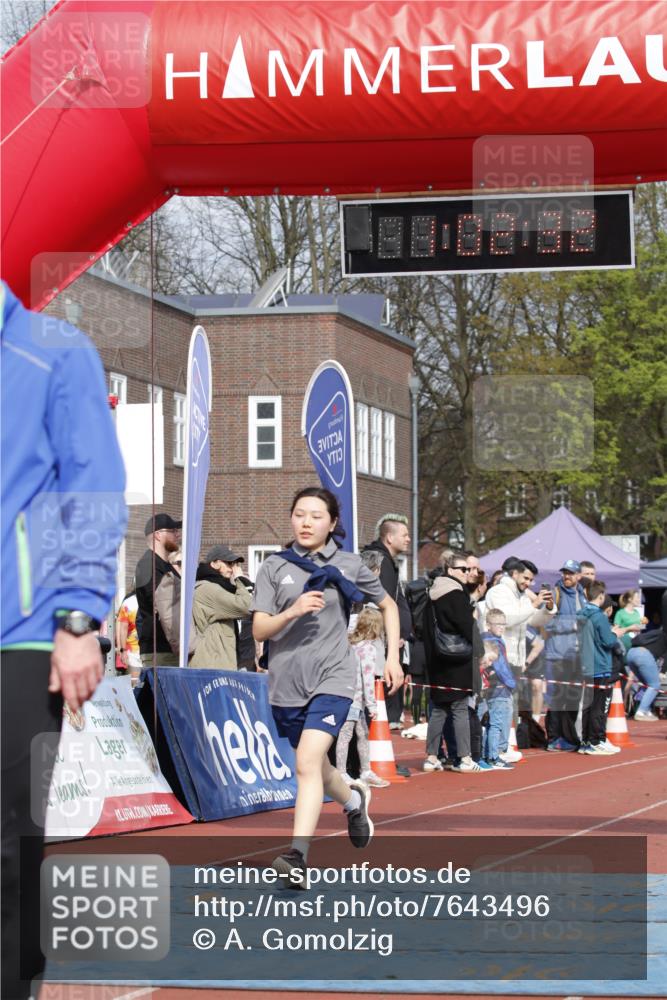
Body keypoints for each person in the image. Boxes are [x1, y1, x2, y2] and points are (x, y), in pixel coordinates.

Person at [1, 280, 127, 999]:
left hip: (17, 637)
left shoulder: (53, 351)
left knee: (8, 847)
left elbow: (93, 483)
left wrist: (79, 616)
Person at [251, 487, 402, 885]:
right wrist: (293, 610)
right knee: (319, 766)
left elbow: (387, 604)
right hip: (286, 681)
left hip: (334, 676)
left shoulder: (350, 565)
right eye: (299, 514)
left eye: (316, 516)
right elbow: (259, 628)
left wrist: (391, 656)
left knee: (305, 764)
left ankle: (297, 856)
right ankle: (354, 801)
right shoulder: (273, 567)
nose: (305, 522)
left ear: (332, 524)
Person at [422, 551, 480, 773]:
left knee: (438, 710)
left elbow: (426, 628)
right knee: (459, 708)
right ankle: (464, 758)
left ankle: (431, 757)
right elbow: (467, 626)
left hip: (437, 659)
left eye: (469, 569)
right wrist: (480, 650)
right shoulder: (455, 594)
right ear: (451, 570)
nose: (468, 573)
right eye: (463, 569)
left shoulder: (432, 592)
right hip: (457, 659)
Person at [362, 514, 413, 730]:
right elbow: (377, 605)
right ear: (390, 538)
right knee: (377, 702)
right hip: (379, 647)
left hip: (390, 644)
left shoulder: (389, 563)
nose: (409, 539)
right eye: (405, 535)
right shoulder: (378, 561)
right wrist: (389, 639)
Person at [337, 608, 390, 789]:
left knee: (361, 733)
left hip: (344, 694)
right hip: (355, 698)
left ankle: (364, 770)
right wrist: (372, 705)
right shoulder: (367, 649)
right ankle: (342, 772)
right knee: (347, 734)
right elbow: (367, 679)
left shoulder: (348, 643)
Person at [543, 559, 587, 752]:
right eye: (564, 573)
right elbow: (545, 623)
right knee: (556, 699)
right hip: (557, 655)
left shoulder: (581, 594)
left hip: (576, 656)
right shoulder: (555, 594)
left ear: (578, 575)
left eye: (570, 573)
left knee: (572, 699)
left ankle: (569, 737)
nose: (566, 576)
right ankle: (553, 739)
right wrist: (572, 624)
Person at [577, 581, 623, 754]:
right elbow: (608, 641)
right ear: (601, 596)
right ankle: (596, 741)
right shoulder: (599, 617)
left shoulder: (580, 614)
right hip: (600, 665)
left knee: (588, 705)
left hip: (585, 665)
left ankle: (586, 741)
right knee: (599, 705)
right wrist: (615, 633)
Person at [190, 545, 253, 669]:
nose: (233, 569)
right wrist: (240, 579)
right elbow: (247, 606)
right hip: (212, 662)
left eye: (235, 564)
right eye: (230, 563)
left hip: (217, 660)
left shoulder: (220, 587)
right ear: (215, 563)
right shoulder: (208, 588)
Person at [135, 513, 182, 667]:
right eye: (173, 530)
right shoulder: (148, 565)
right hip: (159, 649)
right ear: (158, 535)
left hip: (170, 647)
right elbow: (159, 604)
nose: (178, 534)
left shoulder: (165, 565)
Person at [480, 609, 516, 769]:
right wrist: (511, 683)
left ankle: (486, 754)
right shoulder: (493, 643)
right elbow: (501, 667)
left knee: (487, 723)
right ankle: (494, 755)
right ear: (488, 625)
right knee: (497, 723)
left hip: (488, 688)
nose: (502, 627)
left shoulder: (484, 638)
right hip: (499, 688)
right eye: (498, 624)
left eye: (504, 624)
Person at [116, 587, 142, 685]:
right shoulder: (129, 603)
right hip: (133, 652)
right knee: (136, 685)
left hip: (136, 651)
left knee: (136, 686)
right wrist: (121, 649)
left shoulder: (128, 602)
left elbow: (122, 627)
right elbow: (121, 627)